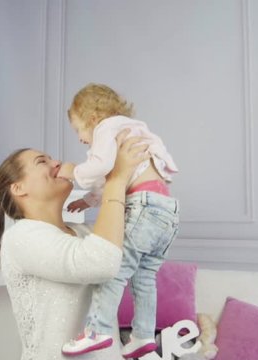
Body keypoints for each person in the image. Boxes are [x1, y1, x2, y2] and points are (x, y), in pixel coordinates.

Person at [0, 130, 150, 360]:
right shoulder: (21, 237)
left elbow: (131, 253)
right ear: (18, 188)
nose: (57, 163)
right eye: (42, 161)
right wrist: (116, 179)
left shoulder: (84, 233)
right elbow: (101, 262)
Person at [59, 83, 180, 358]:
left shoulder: (106, 128)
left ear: (91, 118)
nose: (80, 138)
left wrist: (73, 171)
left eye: (78, 129)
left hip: (144, 207)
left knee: (114, 268)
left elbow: (101, 168)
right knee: (145, 277)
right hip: (166, 209)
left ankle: (97, 329)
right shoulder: (134, 127)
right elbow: (112, 179)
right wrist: (87, 201)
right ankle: (143, 336)